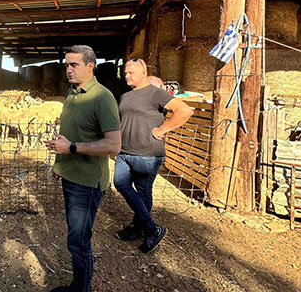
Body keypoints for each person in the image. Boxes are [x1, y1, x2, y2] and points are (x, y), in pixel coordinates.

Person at [44, 45, 121, 292]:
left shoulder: (102, 97)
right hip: (71, 176)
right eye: (66, 65)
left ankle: (81, 289)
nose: (68, 70)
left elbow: (114, 145)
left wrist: (71, 148)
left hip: (87, 183)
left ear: (90, 66)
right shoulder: (72, 93)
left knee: (78, 241)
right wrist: (60, 164)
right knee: (75, 237)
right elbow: (70, 135)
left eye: (74, 65)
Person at [114, 58, 193, 253]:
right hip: (124, 151)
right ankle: (150, 228)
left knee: (143, 192)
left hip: (147, 154)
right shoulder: (125, 95)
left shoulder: (156, 93)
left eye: (131, 73)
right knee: (120, 184)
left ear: (143, 73)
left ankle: (138, 228)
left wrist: (163, 129)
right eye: (125, 73)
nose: (127, 76)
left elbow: (185, 110)